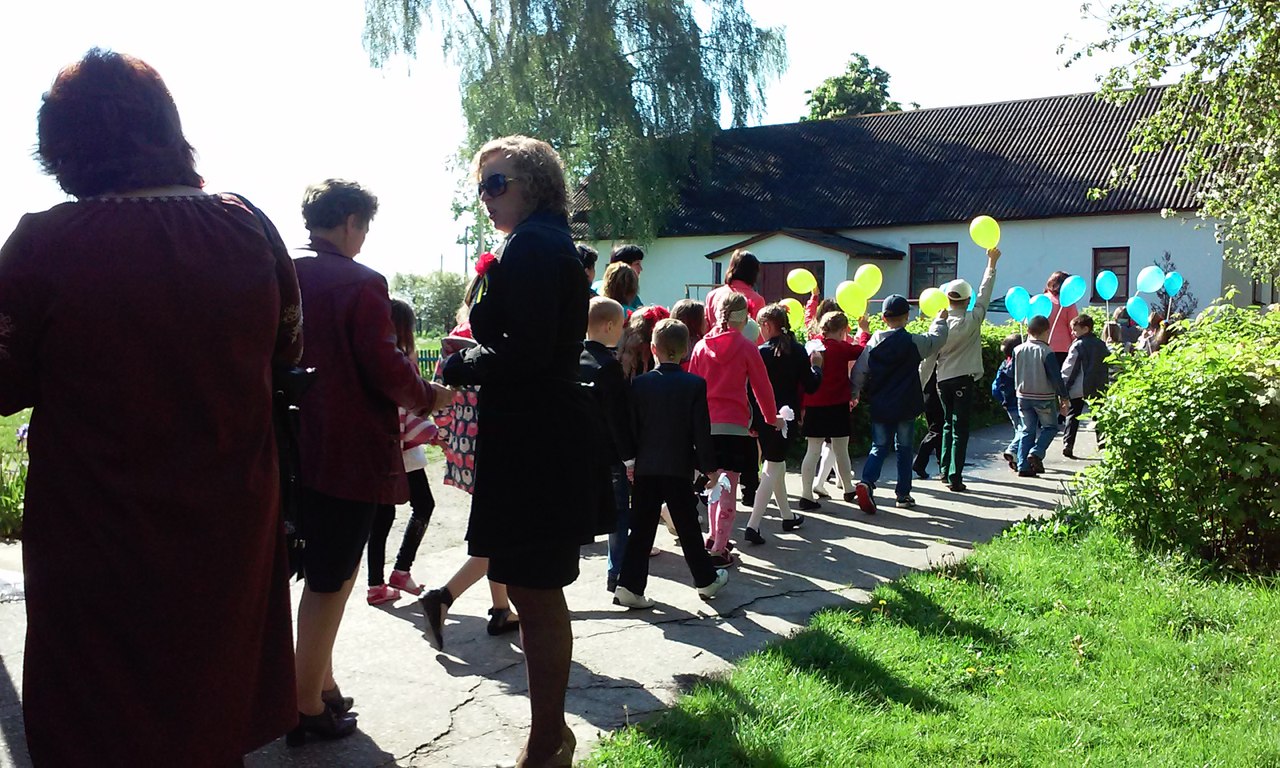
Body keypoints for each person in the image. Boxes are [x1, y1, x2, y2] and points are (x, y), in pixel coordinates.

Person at [0, 49, 300, 766]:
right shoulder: (248, 228)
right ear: (168, 129)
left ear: (62, 146)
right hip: (225, 531)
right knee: (206, 711)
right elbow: (287, 350)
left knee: (100, 724)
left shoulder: (45, 244)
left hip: (97, 543)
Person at [441, 135, 611, 767]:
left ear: (535, 184)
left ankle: (547, 742)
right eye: (481, 186)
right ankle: (551, 736)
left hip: (537, 435)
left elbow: (531, 352)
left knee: (536, 591)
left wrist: (464, 365)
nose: (486, 197)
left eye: (497, 183)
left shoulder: (536, 244)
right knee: (530, 586)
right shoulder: (537, 241)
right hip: (532, 430)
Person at [292, 179, 450, 745]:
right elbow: (385, 368)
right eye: (364, 227)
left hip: (285, 444)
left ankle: (321, 683)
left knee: (323, 572)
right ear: (352, 222)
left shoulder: (281, 269)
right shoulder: (360, 282)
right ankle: (304, 706)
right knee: (332, 577)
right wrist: (431, 396)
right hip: (344, 448)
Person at [419, 278, 521, 651]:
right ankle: (443, 596)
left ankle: (500, 608)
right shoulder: (499, 343)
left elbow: (439, 399)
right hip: (494, 448)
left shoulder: (455, 340)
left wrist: (451, 438)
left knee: (492, 528)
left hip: (465, 448)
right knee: (498, 537)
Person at [614, 319, 730, 608]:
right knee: (688, 526)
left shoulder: (640, 384)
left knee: (641, 529)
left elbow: (631, 427)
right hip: (678, 467)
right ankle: (705, 580)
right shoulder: (694, 385)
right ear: (686, 349)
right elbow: (701, 430)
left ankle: (628, 586)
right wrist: (709, 468)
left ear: (653, 349)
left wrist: (631, 460)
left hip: (646, 467)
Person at [688, 292, 780, 567]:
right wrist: (771, 418)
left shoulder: (701, 347)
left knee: (713, 485)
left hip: (706, 427)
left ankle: (713, 537)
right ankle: (719, 549)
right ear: (744, 319)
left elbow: (691, 388)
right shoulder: (747, 347)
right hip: (735, 426)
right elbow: (762, 386)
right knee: (729, 488)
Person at [365, 300, 440, 605]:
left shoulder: (374, 356)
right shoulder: (401, 360)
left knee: (382, 515)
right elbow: (411, 403)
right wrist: (431, 432)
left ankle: (375, 584)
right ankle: (400, 570)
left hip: (380, 445)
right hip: (402, 448)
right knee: (423, 504)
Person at [850, 295, 949, 513]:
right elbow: (936, 340)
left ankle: (867, 482)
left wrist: (854, 392)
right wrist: (940, 321)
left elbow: (859, 371)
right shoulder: (913, 342)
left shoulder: (874, 343)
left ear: (883, 319)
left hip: (880, 403)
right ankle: (903, 495)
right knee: (904, 449)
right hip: (906, 404)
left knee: (879, 446)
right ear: (906, 317)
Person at [921, 247, 1001, 492]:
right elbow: (985, 292)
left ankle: (944, 471)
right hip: (963, 379)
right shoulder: (972, 319)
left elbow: (929, 358)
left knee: (946, 424)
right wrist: (991, 264)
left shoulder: (939, 324)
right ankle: (955, 476)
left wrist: (920, 384)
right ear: (967, 300)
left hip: (942, 380)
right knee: (960, 428)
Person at [743, 304, 824, 544]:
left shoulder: (760, 352)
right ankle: (753, 524)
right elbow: (811, 385)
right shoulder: (797, 351)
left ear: (767, 326)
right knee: (774, 466)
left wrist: (750, 419)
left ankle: (786, 516)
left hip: (762, 415)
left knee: (774, 465)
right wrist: (817, 366)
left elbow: (749, 389)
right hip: (785, 417)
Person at [580, 297, 636, 592]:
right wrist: (629, 457)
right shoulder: (609, 367)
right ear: (610, 326)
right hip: (609, 455)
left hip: (578, 451)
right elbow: (618, 417)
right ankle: (617, 572)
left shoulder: (573, 360)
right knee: (619, 513)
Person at [797, 311, 872, 510]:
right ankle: (848, 488)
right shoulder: (841, 348)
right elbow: (863, 351)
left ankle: (806, 495)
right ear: (841, 331)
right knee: (841, 449)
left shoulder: (812, 346)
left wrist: (801, 405)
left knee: (812, 450)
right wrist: (864, 332)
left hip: (814, 404)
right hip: (838, 405)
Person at [1012, 315, 1068, 477]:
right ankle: (1036, 452)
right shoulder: (1046, 351)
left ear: (1028, 331)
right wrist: (1064, 397)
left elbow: (1013, 371)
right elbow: (1055, 376)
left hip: (1022, 395)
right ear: (1046, 332)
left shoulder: (1018, 349)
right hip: (1043, 395)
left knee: (1027, 430)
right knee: (1050, 427)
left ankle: (1023, 466)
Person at [1059, 314, 1111, 458]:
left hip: (1079, 386)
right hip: (1098, 385)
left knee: (1073, 415)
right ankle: (1103, 444)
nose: (1072, 333)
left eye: (1075, 330)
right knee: (1098, 416)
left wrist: (1064, 386)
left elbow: (1070, 368)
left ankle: (1068, 444)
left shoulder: (1078, 345)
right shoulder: (1101, 344)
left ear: (1085, 329)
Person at [704, 248, 767, 331]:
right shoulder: (757, 300)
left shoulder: (712, 295)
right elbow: (759, 335)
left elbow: (706, 328)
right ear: (754, 273)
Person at [991, 333, 1024, 471]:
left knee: (1018, 429)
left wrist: (1002, 400)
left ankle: (1017, 459)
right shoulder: (1022, 365)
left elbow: (995, 387)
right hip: (1022, 401)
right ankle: (1012, 450)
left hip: (1009, 403)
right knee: (1025, 430)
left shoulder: (1004, 365)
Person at [912, 369, 945, 479]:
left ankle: (943, 466)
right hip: (936, 397)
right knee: (937, 431)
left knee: (937, 431)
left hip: (928, 395)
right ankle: (919, 463)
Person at [1044, 270, 1079, 367]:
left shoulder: (1041, 299)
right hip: (1063, 347)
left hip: (1043, 345)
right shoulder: (1068, 302)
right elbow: (1074, 325)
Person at [609, 244, 646, 312]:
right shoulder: (629, 294)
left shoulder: (596, 288)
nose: (641, 269)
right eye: (637, 264)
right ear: (623, 266)